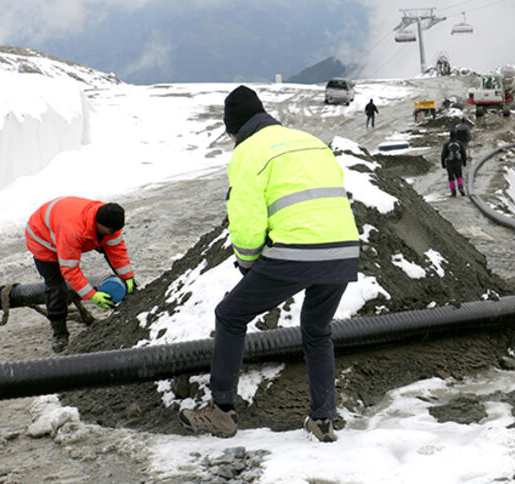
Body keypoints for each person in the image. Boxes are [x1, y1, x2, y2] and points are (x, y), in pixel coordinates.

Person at [179, 85, 359, 443]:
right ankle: (323, 420)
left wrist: (249, 266)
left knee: (230, 315)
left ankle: (222, 412)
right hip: (343, 249)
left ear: (235, 128)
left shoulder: (247, 152)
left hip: (295, 251)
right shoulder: (308, 140)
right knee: (317, 329)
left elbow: (246, 223)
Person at [25, 197, 136, 352]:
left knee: (111, 251)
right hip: (43, 240)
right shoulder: (73, 230)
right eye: (110, 231)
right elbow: (69, 270)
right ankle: (60, 333)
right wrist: (91, 295)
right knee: (56, 286)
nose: (113, 234)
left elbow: (116, 251)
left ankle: (131, 298)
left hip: (64, 223)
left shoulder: (110, 221)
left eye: (115, 231)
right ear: (99, 224)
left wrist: (128, 277)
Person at [441, 130, 467, 197]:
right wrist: (464, 162)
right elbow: (463, 153)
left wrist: (443, 164)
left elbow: (443, 155)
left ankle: (453, 192)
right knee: (459, 176)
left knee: (451, 178)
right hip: (458, 162)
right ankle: (461, 188)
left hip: (450, 163)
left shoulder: (446, 144)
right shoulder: (459, 143)